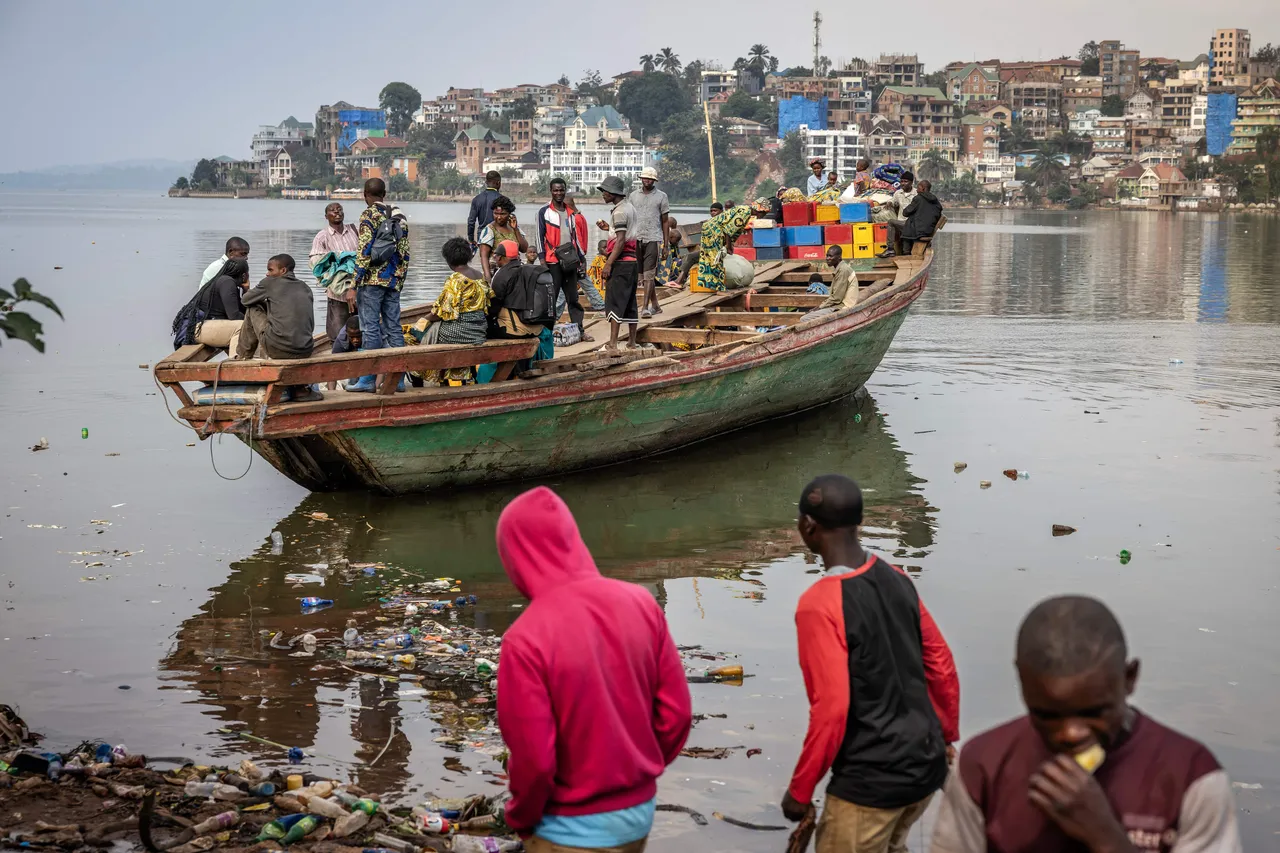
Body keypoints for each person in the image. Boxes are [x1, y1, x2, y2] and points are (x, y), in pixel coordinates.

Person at [931, 595, 1242, 853]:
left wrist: (1108, 839)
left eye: (1095, 712)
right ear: (1022, 682)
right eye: (1047, 715)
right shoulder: (984, 766)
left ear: (1130, 678)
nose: (1071, 734)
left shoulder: (1190, 776)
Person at [495, 486, 692, 852]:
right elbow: (677, 716)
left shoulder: (523, 640)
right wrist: (636, 776)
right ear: (573, 539)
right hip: (638, 815)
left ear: (515, 556)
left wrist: (520, 818)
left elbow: (535, 763)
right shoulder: (642, 604)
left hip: (567, 829)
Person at [782, 474, 960, 853]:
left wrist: (800, 790)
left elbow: (831, 709)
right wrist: (943, 737)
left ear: (807, 526)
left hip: (870, 785)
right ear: (859, 523)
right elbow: (941, 663)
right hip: (925, 768)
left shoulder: (819, 604)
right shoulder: (897, 578)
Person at [350, 178, 409, 392]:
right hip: (393, 280)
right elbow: (404, 251)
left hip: (371, 282)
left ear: (365, 194)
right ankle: (398, 380)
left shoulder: (368, 215)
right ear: (384, 193)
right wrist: (399, 280)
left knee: (370, 328)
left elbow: (364, 251)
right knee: (394, 327)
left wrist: (353, 283)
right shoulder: (399, 214)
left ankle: (367, 380)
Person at [237, 254, 320, 402]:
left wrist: (249, 288)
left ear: (283, 271)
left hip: (277, 349)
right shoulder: (306, 287)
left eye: (270, 270)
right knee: (266, 306)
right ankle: (300, 389)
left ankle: (243, 356)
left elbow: (245, 300)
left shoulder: (270, 283)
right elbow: (310, 324)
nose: (267, 273)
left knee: (253, 307)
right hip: (306, 349)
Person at [417, 237, 491, 386]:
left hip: (460, 332)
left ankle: (423, 381)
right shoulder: (480, 277)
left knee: (415, 335)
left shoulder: (455, 280)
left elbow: (440, 313)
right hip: (479, 331)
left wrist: (422, 321)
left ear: (449, 261)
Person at [536, 177, 590, 340]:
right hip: (552, 261)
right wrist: (542, 260)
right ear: (551, 191)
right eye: (555, 190)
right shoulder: (544, 211)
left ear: (565, 191)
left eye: (561, 190)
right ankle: (546, 333)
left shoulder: (571, 213)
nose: (558, 193)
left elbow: (576, 238)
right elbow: (539, 237)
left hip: (570, 260)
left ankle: (580, 330)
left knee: (573, 298)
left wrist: (582, 258)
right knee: (550, 300)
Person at [596, 175, 639, 351]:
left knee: (614, 301)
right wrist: (609, 228)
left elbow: (620, 241)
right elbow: (625, 233)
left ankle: (613, 342)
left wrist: (608, 264)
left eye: (605, 192)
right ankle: (632, 341)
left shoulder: (619, 211)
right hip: (632, 262)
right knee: (629, 301)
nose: (603, 195)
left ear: (613, 193)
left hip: (621, 263)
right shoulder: (630, 208)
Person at [309, 202, 360, 343]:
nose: (337, 212)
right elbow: (316, 263)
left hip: (358, 290)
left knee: (361, 329)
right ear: (326, 216)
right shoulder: (322, 237)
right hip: (337, 295)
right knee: (337, 334)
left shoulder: (355, 230)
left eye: (339, 209)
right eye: (332, 210)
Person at [626, 167, 669, 319]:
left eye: (650, 179)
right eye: (645, 178)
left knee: (649, 274)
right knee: (640, 273)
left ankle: (645, 308)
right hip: (636, 237)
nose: (647, 181)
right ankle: (656, 305)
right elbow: (628, 217)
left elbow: (665, 221)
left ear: (654, 181)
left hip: (653, 237)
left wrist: (666, 244)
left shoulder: (661, 197)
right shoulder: (633, 196)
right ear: (641, 179)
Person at [694, 203, 755, 291]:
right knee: (715, 260)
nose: (763, 215)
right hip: (713, 232)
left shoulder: (745, 210)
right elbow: (728, 230)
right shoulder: (745, 213)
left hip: (714, 231)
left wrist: (729, 245)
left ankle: (715, 286)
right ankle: (719, 289)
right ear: (760, 210)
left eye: (715, 211)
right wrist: (729, 246)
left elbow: (732, 229)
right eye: (763, 213)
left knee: (713, 259)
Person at [194, 257, 249, 352]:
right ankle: (235, 360)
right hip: (200, 329)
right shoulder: (227, 282)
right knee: (242, 326)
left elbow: (241, 310)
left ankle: (240, 359)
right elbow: (234, 316)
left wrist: (246, 291)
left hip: (205, 327)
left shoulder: (227, 281)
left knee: (245, 325)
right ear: (244, 275)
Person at [478, 195, 531, 282]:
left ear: (510, 214)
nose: (499, 217)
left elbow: (524, 249)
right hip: (497, 274)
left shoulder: (514, 227)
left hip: (515, 273)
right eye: (496, 213)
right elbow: (483, 256)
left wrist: (516, 229)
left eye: (502, 214)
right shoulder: (490, 230)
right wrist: (488, 278)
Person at [896, 179, 944, 256]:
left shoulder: (918, 198)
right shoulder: (935, 200)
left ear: (923, 188)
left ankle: (898, 251)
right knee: (909, 224)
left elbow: (905, 213)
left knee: (892, 223)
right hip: (928, 230)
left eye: (918, 187)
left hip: (919, 231)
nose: (917, 189)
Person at [815, 246, 859, 311]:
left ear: (839, 257)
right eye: (827, 256)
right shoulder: (840, 269)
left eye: (830, 256)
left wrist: (820, 307)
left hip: (844, 306)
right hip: (840, 304)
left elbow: (836, 298)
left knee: (805, 318)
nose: (827, 258)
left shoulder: (843, 270)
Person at [467, 170, 502, 245]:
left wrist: (471, 239)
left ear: (486, 182)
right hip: (498, 235)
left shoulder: (477, 199)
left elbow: (471, 221)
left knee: (483, 256)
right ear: (498, 183)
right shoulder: (502, 199)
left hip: (482, 235)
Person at [656, 216, 683, 287]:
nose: (677, 242)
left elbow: (676, 255)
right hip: (660, 263)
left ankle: (677, 279)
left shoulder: (672, 240)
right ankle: (665, 280)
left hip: (671, 260)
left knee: (680, 262)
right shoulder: (663, 242)